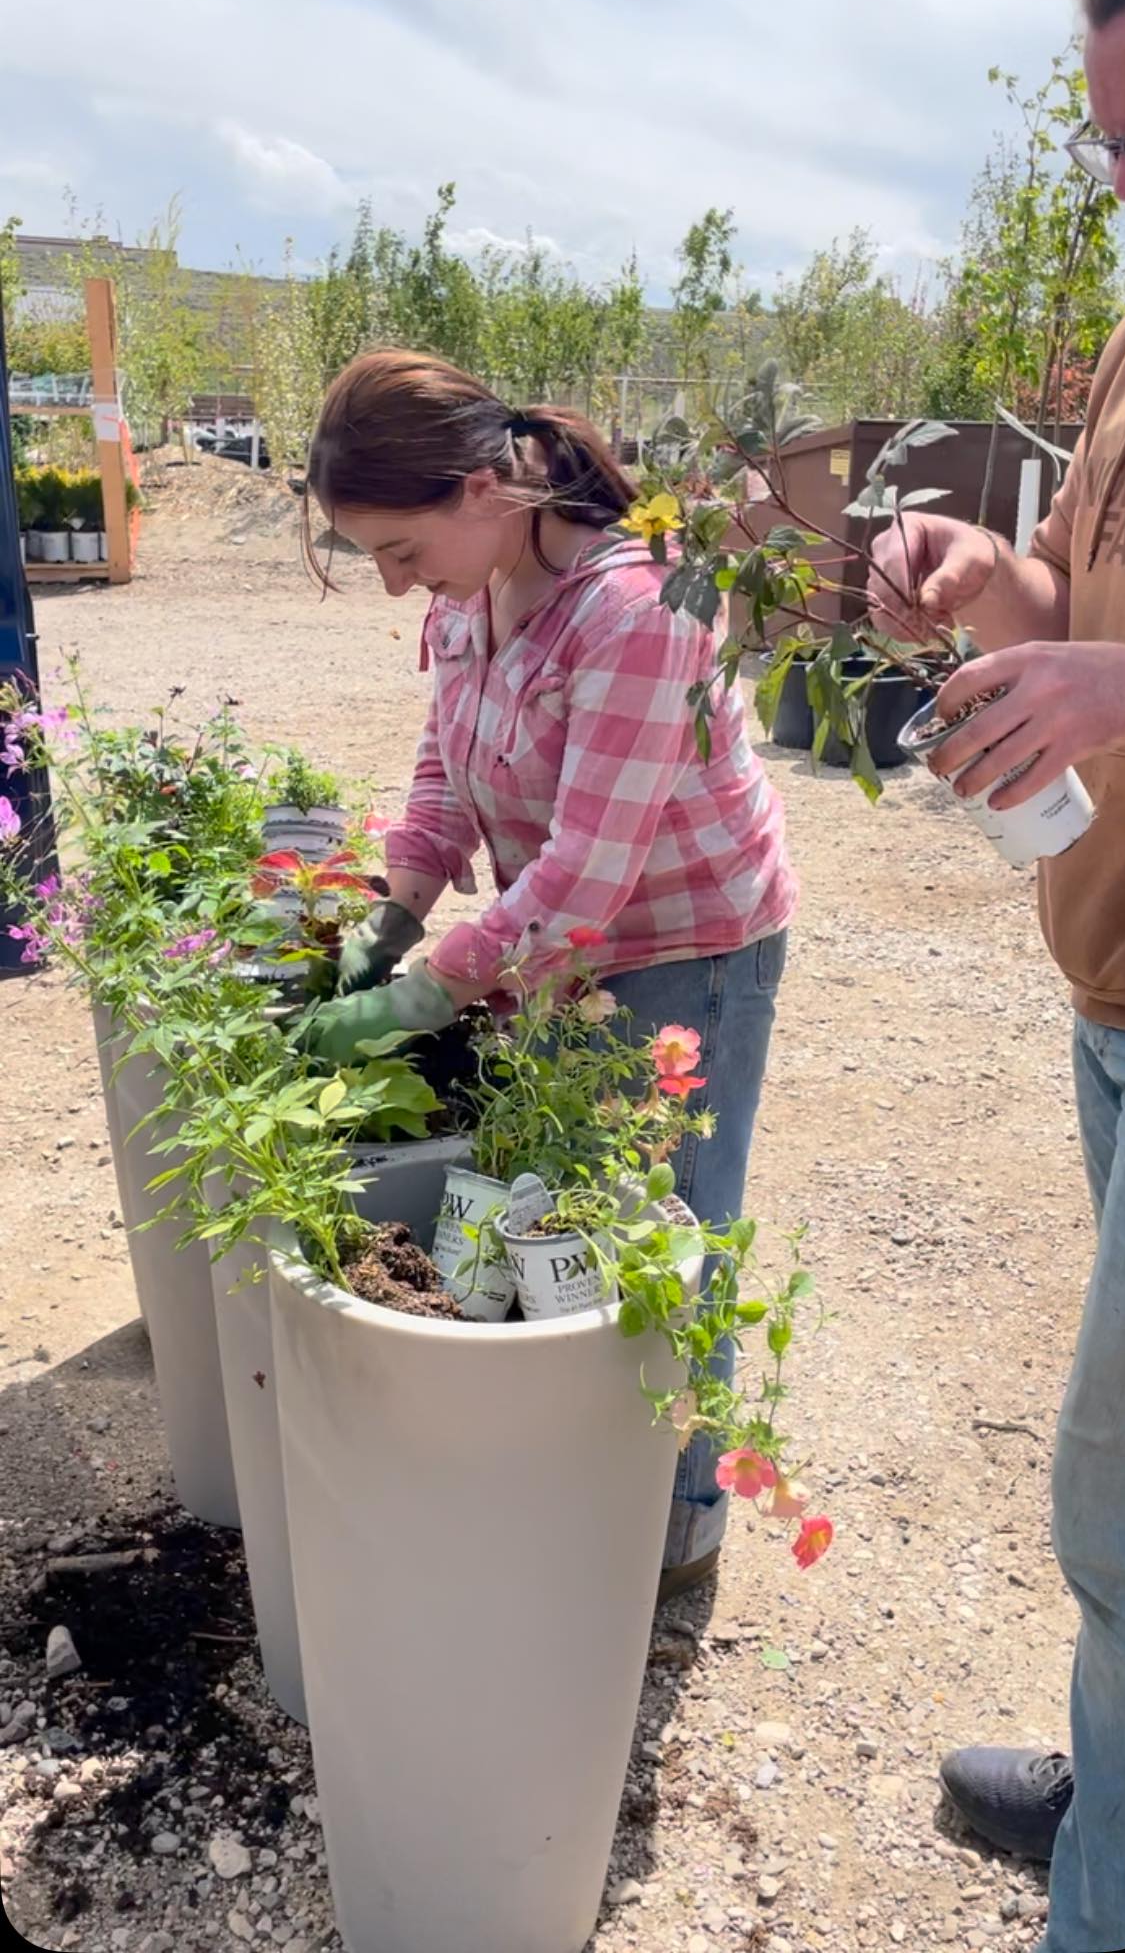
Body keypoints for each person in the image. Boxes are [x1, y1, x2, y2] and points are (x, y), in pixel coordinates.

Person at [299, 348, 798, 1596]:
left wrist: (423, 993)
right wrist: (390, 915)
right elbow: (443, 774)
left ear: (483, 489)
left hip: (687, 948)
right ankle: (586, 1483)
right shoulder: (474, 588)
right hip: (561, 947)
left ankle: (677, 1529)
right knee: (569, 1202)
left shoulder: (636, 612)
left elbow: (582, 879)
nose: (396, 583)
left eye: (400, 551)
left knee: (671, 1234)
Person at [869, 0, 1125, 1950]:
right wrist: (994, 581)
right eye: (1115, 139)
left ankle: (1118, 1886)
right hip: (1117, 981)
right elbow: (1082, 590)